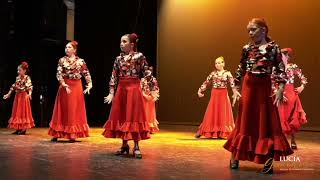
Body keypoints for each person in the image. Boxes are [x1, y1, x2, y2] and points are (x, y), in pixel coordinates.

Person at [223, 18, 293, 174]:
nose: (250, 33)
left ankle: (267, 161)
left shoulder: (274, 47)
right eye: (248, 30)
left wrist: (281, 88)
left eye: (253, 29)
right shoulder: (247, 48)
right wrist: (235, 86)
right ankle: (235, 156)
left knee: (265, 123)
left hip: (264, 88)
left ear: (263, 30)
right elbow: (241, 68)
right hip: (249, 86)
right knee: (244, 122)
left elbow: (281, 69)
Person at [103, 33, 150, 159]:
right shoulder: (118, 59)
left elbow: (147, 73)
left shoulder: (139, 56)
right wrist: (111, 92)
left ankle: (136, 146)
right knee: (122, 116)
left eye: (124, 41)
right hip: (122, 89)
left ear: (132, 44)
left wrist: (152, 89)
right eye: (121, 41)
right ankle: (124, 145)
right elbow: (114, 75)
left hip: (134, 89)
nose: (121, 44)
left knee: (133, 116)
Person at [48, 41, 92, 143]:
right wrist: (63, 83)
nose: (67, 49)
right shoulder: (62, 60)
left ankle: (72, 134)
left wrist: (90, 84)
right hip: (65, 86)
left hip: (76, 87)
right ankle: (56, 133)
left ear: (74, 50)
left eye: (69, 47)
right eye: (66, 47)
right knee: (62, 109)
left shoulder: (81, 61)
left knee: (74, 109)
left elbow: (86, 73)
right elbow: (59, 74)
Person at [195, 56, 236, 139]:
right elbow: (206, 82)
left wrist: (235, 93)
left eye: (219, 62)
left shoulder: (227, 73)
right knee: (212, 111)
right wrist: (200, 90)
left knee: (223, 112)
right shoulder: (213, 73)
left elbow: (232, 84)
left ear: (223, 63)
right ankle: (209, 130)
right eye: (216, 63)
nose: (217, 64)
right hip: (215, 95)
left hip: (223, 95)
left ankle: (223, 132)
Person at [276, 48, 307, 149]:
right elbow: (272, 81)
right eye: (283, 55)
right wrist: (278, 92)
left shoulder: (293, 67)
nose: (284, 57)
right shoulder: (276, 68)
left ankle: (293, 140)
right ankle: (282, 141)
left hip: (291, 94)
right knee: (281, 117)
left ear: (289, 57)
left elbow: (303, 78)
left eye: (286, 55)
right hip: (280, 93)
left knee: (292, 117)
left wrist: (302, 87)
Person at [3, 61, 35, 135]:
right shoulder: (17, 78)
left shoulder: (27, 78)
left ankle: (23, 129)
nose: (18, 72)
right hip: (18, 97)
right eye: (17, 70)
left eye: (19, 70)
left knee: (23, 112)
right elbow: (13, 87)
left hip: (24, 97)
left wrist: (29, 94)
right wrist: (8, 94)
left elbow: (29, 87)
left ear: (24, 71)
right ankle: (18, 128)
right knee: (17, 112)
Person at [141, 66, 160, 134]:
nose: (148, 77)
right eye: (147, 76)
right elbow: (141, 88)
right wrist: (144, 94)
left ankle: (151, 128)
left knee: (151, 113)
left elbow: (156, 88)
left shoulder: (153, 80)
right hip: (144, 97)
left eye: (149, 75)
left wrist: (154, 96)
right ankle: (144, 128)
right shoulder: (143, 80)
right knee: (144, 112)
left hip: (151, 98)